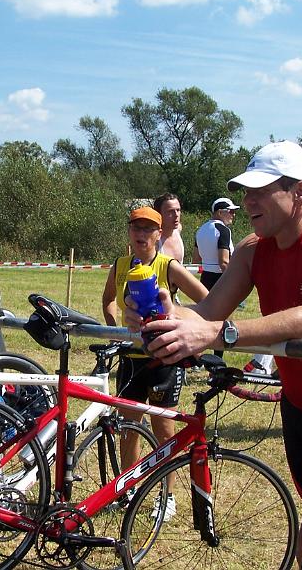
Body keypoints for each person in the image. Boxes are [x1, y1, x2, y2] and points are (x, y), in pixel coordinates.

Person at [128, 141, 302, 568]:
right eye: (245, 191)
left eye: (260, 190)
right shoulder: (251, 249)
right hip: (301, 410)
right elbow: (204, 313)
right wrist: (163, 316)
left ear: (300, 193)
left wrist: (216, 335)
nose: (247, 201)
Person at [102, 206, 208, 519]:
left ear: (158, 235)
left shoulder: (168, 265)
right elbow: (108, 299)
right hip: (132, 359)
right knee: (128, 428)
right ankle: (128, 489)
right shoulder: (120, 266)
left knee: (164, 431)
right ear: (129, 232)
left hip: (165, 358)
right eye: (137, 227)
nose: (142, 234)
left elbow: (207, 298)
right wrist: (114, 330)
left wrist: (175, 312)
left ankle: (166, 495)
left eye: (149, 229)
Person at [193, 197, 240, 289]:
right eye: (231, 211)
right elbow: (224, 262)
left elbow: (196, 259)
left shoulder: (201, 230)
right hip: (220, 277)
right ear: (220, 212)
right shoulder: (223, 230)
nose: (233, 215)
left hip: (205, 277)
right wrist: (234, 281)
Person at [153, 193, 184, 263]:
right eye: (170, 211)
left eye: (178, 210)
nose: (176, 215)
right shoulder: (153, 241)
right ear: (158, 214)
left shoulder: (178, 229)